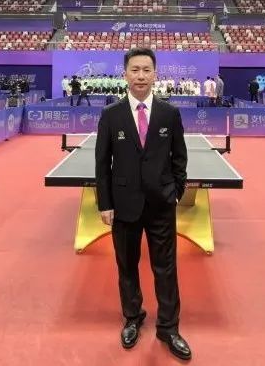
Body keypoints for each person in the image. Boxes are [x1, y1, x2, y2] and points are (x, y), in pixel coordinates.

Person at [95, 47, 192, 361]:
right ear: (125, 74)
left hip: (161, 204)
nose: (140, 76)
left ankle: (169, 327)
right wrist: (105, 203)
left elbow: (180, 158)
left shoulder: (169, 113)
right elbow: (102, 164)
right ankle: (132, 318)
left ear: (155, 74)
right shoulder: (111, 115)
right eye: (135, 70)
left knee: (166, 268)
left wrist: (175, 192)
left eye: (146, 70)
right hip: (124, 205)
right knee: (127, 266)